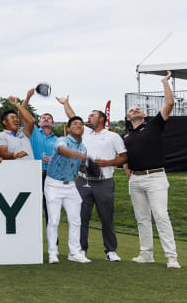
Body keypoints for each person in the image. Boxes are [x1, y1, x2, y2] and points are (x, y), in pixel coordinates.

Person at [57, 95, 127, 262]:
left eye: (92, 115)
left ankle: (111, 251)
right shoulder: (85, 132)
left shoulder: (113, 136)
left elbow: (124, 157)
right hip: (83, 181)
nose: (89, 117)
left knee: (106, 217)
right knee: (80, 217)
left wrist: (108, 162)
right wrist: (66, 103)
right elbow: (72, 117)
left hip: (105, 182)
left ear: (102, 119)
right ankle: (80, 250)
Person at [123, 71, 180, 268]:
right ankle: (146, 254)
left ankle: (172, 257)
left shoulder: (154, 125)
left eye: (138, 108)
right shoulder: (126, 136)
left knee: (161, 215)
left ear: (144, 114)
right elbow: (125, 156)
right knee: (142, 219)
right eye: (132, 109)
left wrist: (165, 82)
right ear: (128, 117)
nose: (135, 109)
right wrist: (126, 169)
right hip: (135, 180)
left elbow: (169, 104)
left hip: (155, 177)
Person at [45, 116, 91, 264]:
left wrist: (89, 168)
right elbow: (62, 151)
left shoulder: (83, 147)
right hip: (53, 184)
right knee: (54, 220)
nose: (79, 126)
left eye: (81, 124)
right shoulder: (62, 140)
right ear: (69, 128)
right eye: (75, 124)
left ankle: (74, 253)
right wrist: (79, 156)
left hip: (71, 185)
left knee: (76, 220)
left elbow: (81, 167)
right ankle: (53, 253)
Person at [30, 108, 59, 236]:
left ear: (52, 124)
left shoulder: (58, 140)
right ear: (39, 123)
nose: (46, 118)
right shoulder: (33, 132)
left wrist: (53, 159)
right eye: (43, 117)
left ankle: (53, 243)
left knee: (51, 209)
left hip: (51, 176)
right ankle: (30, 240)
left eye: (49, 118)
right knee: (31, 208)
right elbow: (23, 115)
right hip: (33, 175)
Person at [0, 92, 35, 161]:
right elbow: (2, 154)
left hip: (30, 169)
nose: (16, 120)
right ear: (5, 122)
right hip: (14, 170)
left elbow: (31, 121)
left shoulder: (24, 132)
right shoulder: (1, 136)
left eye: (17, 118)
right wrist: (15, 155)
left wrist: (17, 104)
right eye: (12, 118)